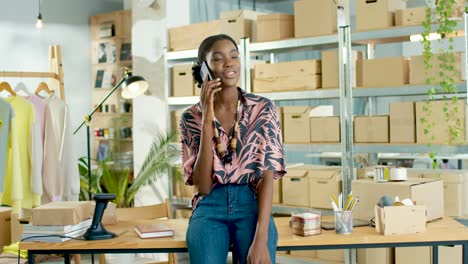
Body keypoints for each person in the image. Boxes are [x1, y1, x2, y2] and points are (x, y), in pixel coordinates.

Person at [180, 34, 286, 264]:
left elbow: (268, 176)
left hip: (252, 203)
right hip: (210, 206)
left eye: (234, 56)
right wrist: (207, 119)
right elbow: (204, 185)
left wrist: (261, 239)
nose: (229, 63)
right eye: (218, 59)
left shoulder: (262, 109)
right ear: (203, 71)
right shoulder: (190, 117)